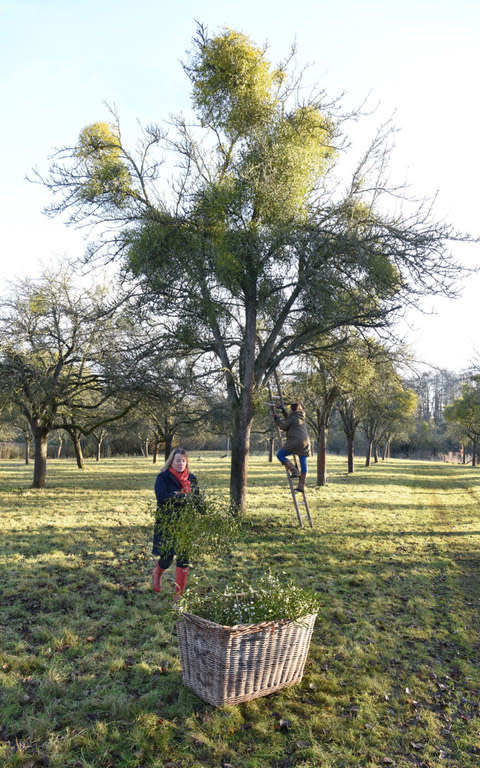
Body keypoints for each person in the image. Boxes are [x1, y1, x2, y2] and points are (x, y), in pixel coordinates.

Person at [152, 447, 200, 601]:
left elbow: (197, 499)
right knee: (167, 557)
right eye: (177, 460)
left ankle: (179, 595)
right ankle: (158, 572)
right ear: (171, 461)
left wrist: (204, 511)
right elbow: (162, 498)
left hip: (186, 524)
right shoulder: (163, 477)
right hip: (168, 523)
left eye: (183, 460)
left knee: (184, 558)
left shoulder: (191, 479)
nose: (181, 463)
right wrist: (181, 497)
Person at [274, 403, 310, 492]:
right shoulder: (301, 416)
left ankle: (294, 471)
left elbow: (283, 426)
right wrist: (283, 410)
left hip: (295, 441)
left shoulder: (293, 418)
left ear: (291, 410)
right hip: (305, 442)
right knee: (303, 464)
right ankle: (301, 486)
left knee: (280, 455)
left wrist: (277, 419)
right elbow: (289, 419)